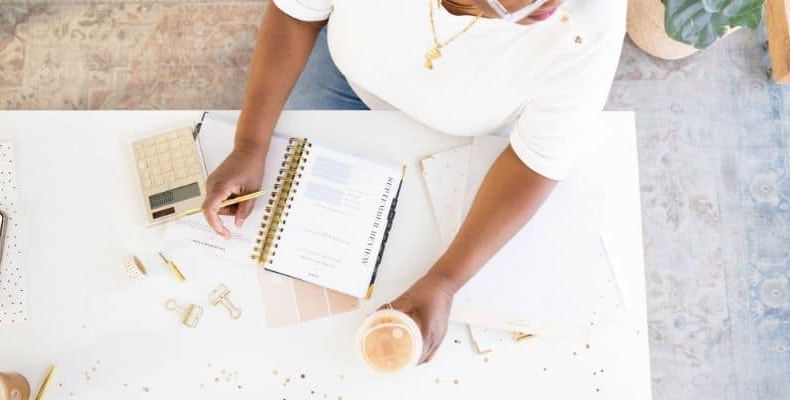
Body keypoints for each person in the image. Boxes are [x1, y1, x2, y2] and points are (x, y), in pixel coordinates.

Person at [202, 0, 626, 363]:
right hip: (344, 81)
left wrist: (446, 280)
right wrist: (250, 142)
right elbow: (296, 14)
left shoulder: (585, 24)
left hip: (462, 130)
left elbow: (535, 160)